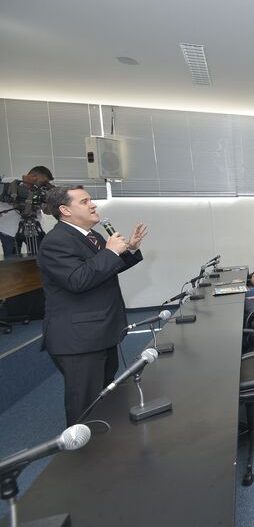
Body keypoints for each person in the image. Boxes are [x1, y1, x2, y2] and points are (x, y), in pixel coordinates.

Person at [37, 185, 147, 425]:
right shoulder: (56, 241)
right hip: (79, 338)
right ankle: (83, 448)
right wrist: (110, 252)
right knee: (85, 406)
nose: (93, 205)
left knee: (105, 397)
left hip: (101, 331)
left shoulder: (91, 236)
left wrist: (129, 249)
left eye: (91, 200)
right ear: (65, 210)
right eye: (85, 201)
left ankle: (105, 443)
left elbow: (102, 271)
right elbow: (77, 280)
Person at [0, 165, 53, 257]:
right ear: (33, 176)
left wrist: (52, 201)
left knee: (40, 258)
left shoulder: (40, 191)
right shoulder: (10, 184)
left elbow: (47, 211)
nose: (43, 185)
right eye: (43, 182)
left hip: (33, 231)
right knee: (11, 261)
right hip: (8, 232)